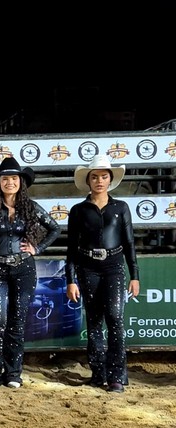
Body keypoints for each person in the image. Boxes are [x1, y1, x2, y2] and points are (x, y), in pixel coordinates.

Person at [0, 156, 61, 390]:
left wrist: (37, 248)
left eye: (14, 178)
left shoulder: (30, 207)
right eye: (5, 179)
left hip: (24, 269)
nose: (10, 182)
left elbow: (54, 228)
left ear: (20, 181)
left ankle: (13, 373)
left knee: (17, 321)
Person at [65, 155, 139, 393]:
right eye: (95, 177)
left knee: (115, 318)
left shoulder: (121, 208)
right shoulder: (78, 210)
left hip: (114, 267)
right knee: (94, 321)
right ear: (88, 180)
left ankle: (117, 376)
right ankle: (98, 373)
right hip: (87, 268)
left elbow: (129, 243)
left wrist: (135, 275)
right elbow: (71, 248)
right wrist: (70, 280)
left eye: (104, 176)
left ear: (110, 180)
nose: (99, 181)